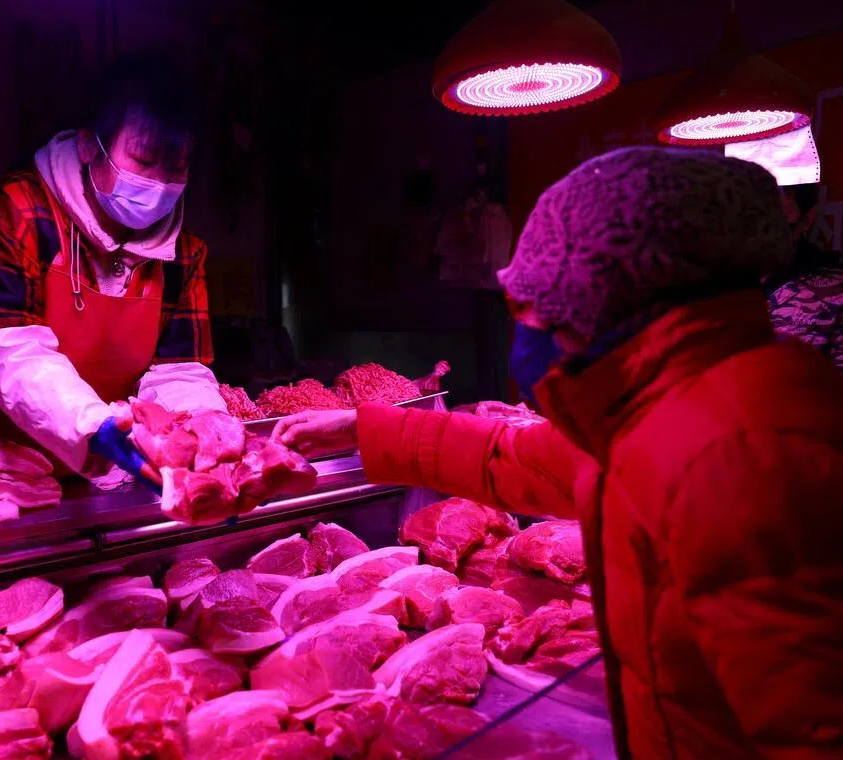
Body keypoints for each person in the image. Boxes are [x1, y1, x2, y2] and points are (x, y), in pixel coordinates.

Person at [273, 148, 843, 758]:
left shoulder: (736, 452)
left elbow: (813, 732)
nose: (527, 330)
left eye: (536, 306)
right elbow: (516, 456)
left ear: (606, 301)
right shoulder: (656, 410)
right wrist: (360, 430)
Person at [0, 54, 225, 479]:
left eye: (177, 166)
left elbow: (179, 371)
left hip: (100, 468)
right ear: (90, 146)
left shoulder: (183, 254)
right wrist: (90, 425)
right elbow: (11, 351)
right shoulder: (17, 210)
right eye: (144, 160)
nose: (160, 183)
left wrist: (203, 448)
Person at [766, 182, 843, 369]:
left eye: (780, 227)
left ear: (807, 219)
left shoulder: (833, 292)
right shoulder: (715, 283)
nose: (764, 238)